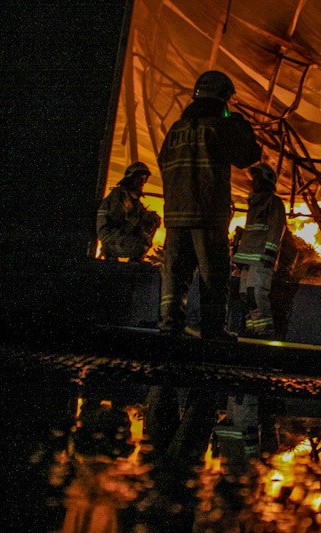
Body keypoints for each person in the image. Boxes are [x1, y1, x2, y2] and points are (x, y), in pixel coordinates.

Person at [157, 70, 261, 341]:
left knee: (175, 273)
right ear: (223, 98)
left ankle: (169, 325)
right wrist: (240, 125)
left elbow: (164, 163)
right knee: (213, 273)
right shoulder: (220, 126)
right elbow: (248, 156)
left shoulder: (176, 129)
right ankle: (212, 330)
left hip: (176, 215)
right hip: (208, 212)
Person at [232, 163, 287, 338]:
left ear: (267, 181)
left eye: (257, 179)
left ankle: (265, 333)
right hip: (247, 260)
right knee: (245, 296)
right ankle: (253, 331)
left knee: (256, 294)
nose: (253, 183)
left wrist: (269, 255)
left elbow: (276, 229)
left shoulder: (274, 202)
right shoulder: (254, 205)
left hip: (261, 259)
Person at [96, 161, 161, 262]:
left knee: (152, 220)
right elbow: (124, 219)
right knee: (139, 244)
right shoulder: (120, 195)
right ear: (131, 178)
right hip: (111, 237)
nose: (142, 182)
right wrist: (141, 219)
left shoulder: (132, 197)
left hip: (120, 234)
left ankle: (134, 258)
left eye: (144, 179)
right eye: (139, 178)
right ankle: (111, 251)